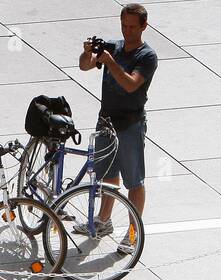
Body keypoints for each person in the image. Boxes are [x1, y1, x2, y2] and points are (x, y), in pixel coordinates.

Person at [79, 3, 156, 250]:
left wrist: (110, 62)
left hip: (130, 124)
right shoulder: (115, 46)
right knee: (107, 174)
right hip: (106, 120)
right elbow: (84, 65)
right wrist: (87, 52)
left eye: (133, 27)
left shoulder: (147, 56)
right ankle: (104, 220)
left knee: (134, 180)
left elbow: (131, 84)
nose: (127, 31)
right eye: (124, 26)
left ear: (144, 26)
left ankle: (134, 232)